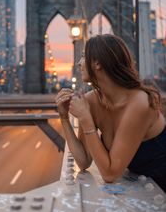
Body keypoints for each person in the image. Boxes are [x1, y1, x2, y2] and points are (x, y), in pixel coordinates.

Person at [55, 34, 166, 192]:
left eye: (83, 56)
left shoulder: (139, 103)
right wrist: (64, 117)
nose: (78, 63)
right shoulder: (91, 101)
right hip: (142, 191)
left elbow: (110, 174)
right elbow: (84, 160)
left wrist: (86, 118)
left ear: (97, 63)